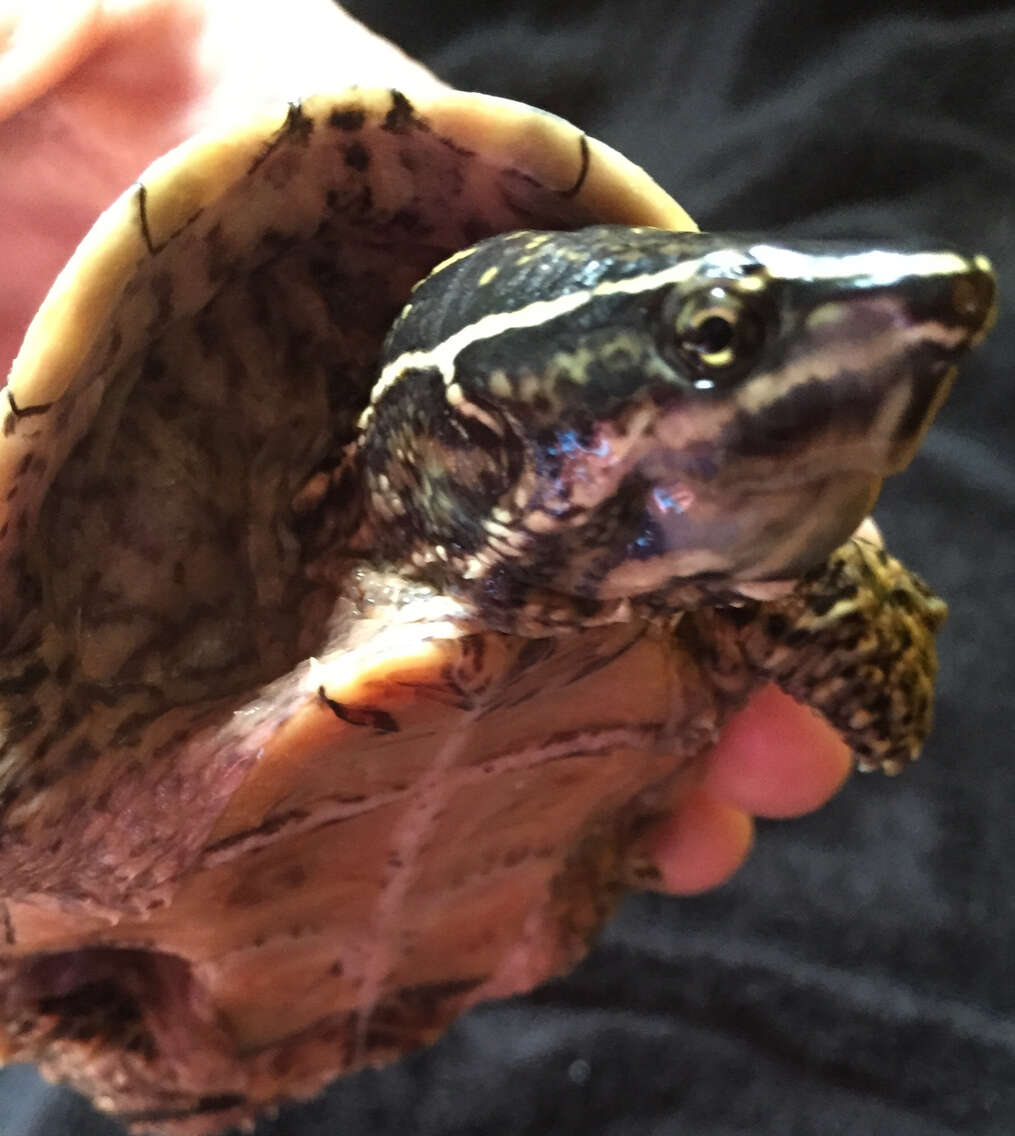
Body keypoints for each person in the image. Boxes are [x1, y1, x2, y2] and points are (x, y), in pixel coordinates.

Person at [0, 0, 854, 895]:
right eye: (716, 337)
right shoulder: (191, 472)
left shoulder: (702, 552)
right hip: (140, 965)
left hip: (480, 893)